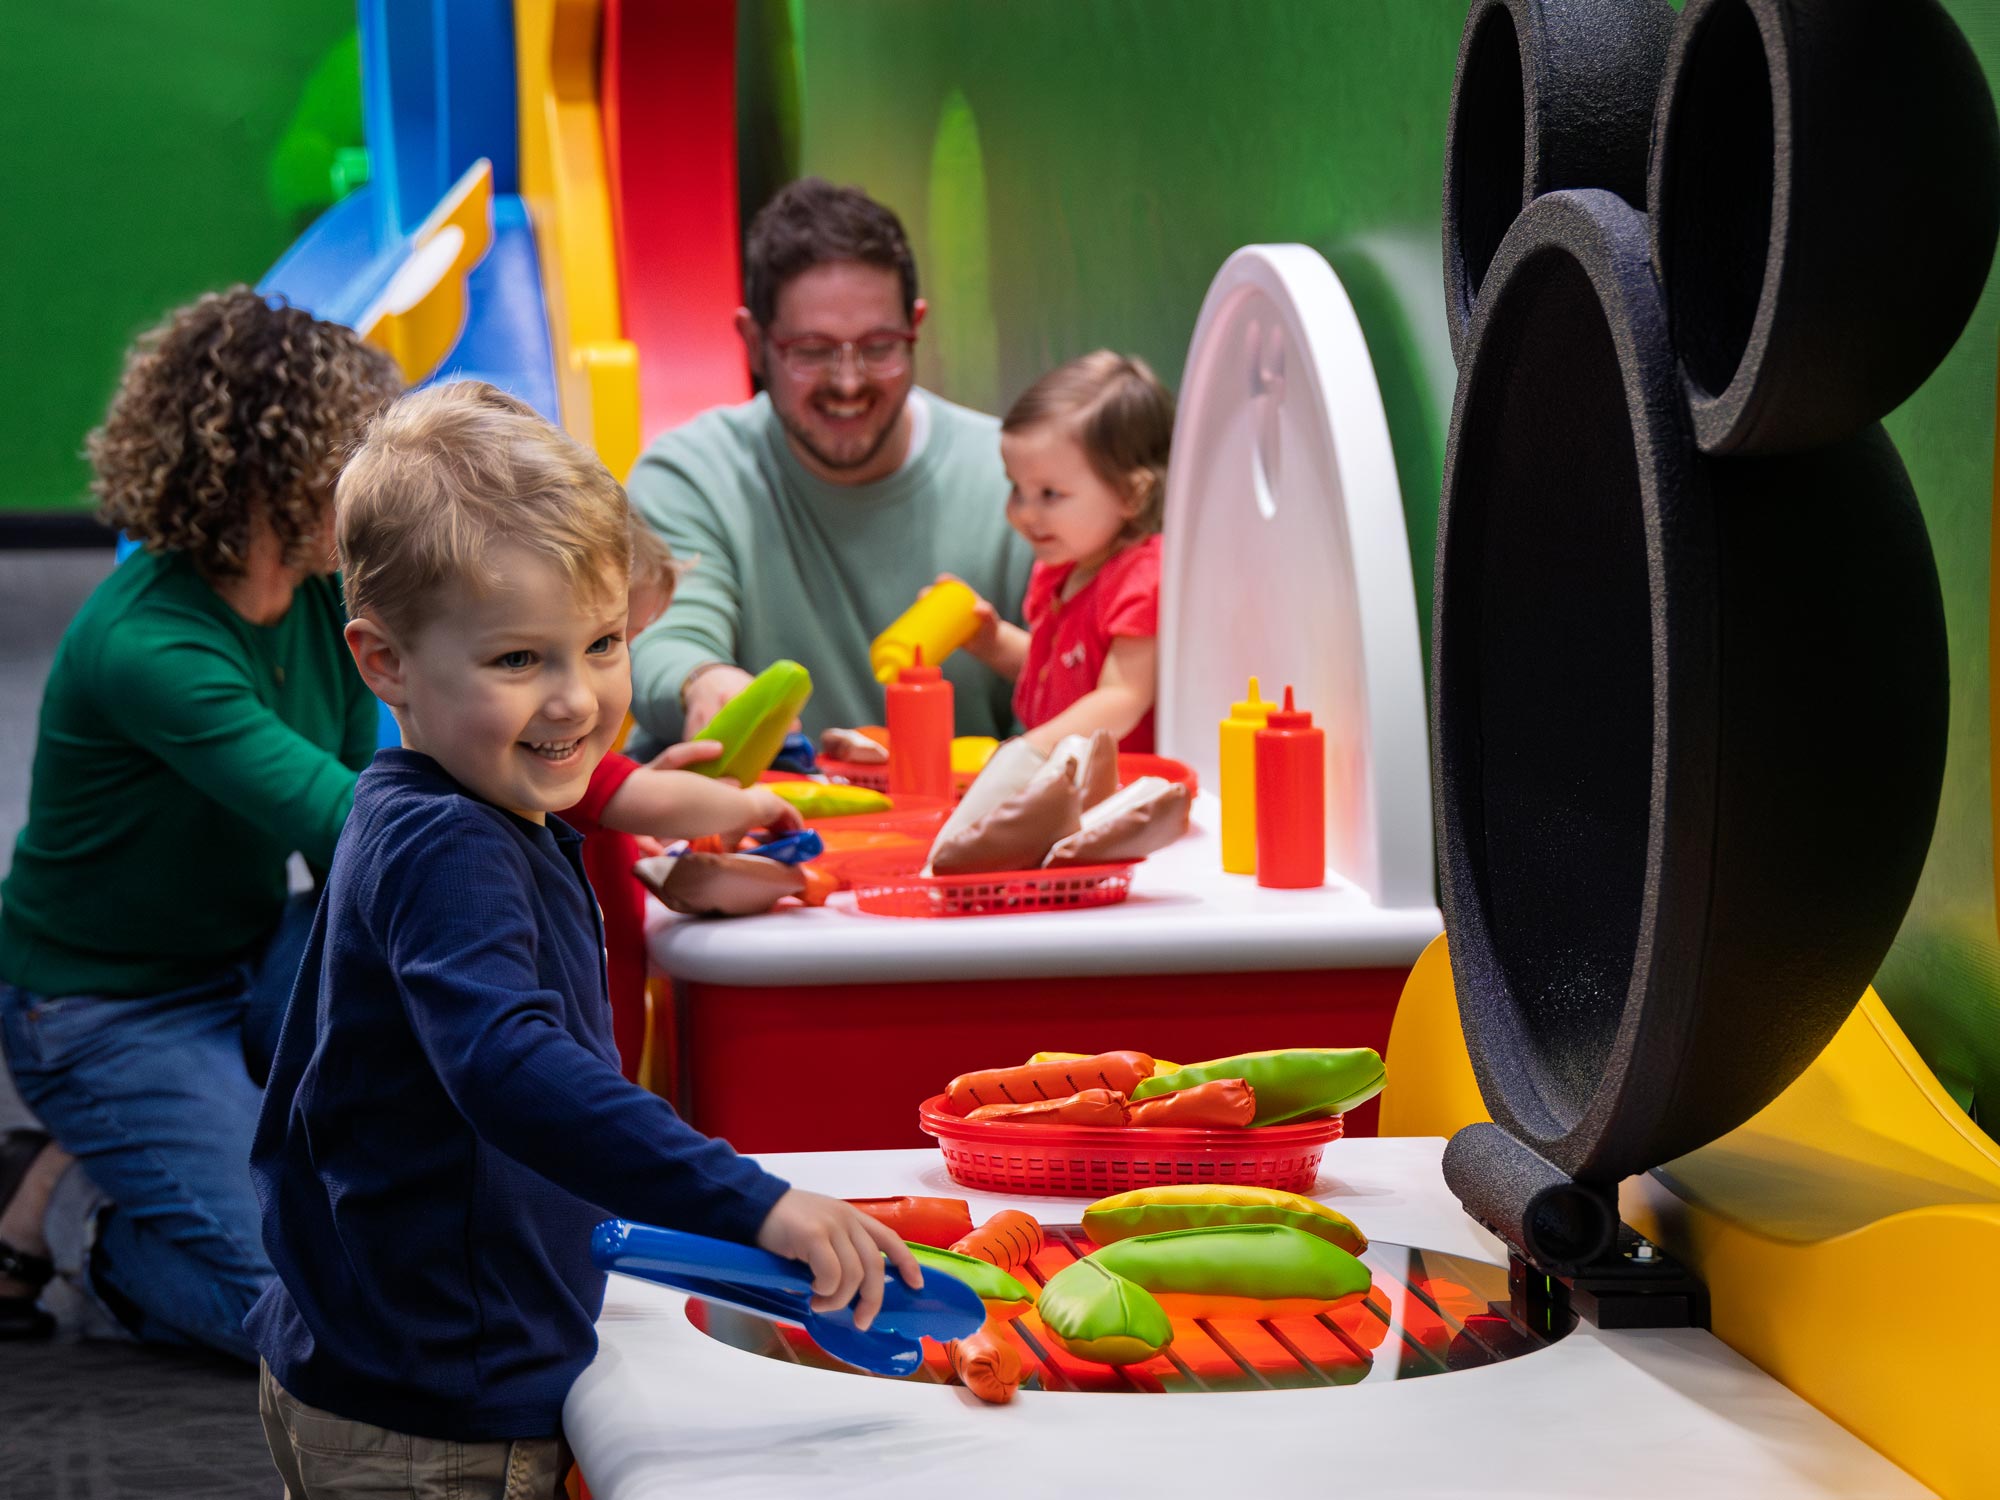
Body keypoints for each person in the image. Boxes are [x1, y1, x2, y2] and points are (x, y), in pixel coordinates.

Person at [249, 382, 918, 1497]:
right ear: (383, 663)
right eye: (519, 661)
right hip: (441, 1412)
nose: (576, 701)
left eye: (603, 644)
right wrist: (756, 1201)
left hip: (372, 1350)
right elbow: (511, 1066)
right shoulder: (452, 845)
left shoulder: (442, 801)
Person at [0, 289, 399, 1352]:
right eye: (352, 456)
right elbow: (347, 810)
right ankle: (95, 1236)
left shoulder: (321, 594)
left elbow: (354, 839)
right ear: (267, 475)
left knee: (392, 931)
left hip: (241, 959)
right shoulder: (153, 648)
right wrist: (597, 792)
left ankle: (145, 1144)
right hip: (103, 1008)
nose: (377, 484)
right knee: (305, 1310)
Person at [626, 177, 1031, 745]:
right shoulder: (690, 475)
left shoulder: (1021, 485)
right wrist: (704, 682)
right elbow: (668, 639)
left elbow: (1062, 708)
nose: (847, 382)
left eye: (878, 347)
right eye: (812, 352)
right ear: (753, 341)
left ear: (915, 329)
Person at [558, 517, 802, 1080]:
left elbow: (628, 803)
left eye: (618, 647)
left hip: (602, 1034)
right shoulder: (558, 759)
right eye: (605, 643)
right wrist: (753, 806)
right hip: (581, 1052)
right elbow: (648, 801)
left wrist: (640, 796)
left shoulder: (578, 771)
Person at [954, 351, 1173, 753]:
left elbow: (1122, 696)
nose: (1023, 512)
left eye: (1049, 494)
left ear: (1131, 493)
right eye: (1016, 487)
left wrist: (1027, 751)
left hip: (1127, 792)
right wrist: (995, 642)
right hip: (1073, 781)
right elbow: (1064, 673)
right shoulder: (1062, 569)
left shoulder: (1144, 579)